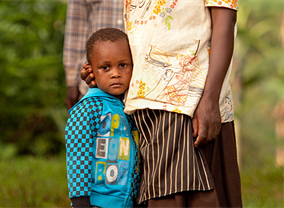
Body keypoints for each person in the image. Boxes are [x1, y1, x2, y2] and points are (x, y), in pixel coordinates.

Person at [81, 1, 242, 207]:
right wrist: (103, 72)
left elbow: (224, 21)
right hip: (144, 103)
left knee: (184, 194)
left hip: (187, 103)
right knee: (157, 192)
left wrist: (210, 98)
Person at [65, 28, 140, 208]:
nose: (115, 73)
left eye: (123, 65)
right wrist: (80, 201)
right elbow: (77, 154)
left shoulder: (127, 106)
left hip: (127, 200)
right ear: (91, 70)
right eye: (105, 67)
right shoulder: (89, 108)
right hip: (96, 203)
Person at [63, 0, 125, 110]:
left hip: (140, 84)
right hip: (93, 84)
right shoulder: (88, 109)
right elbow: (76, 26)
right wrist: (72, 80)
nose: (115, 74)